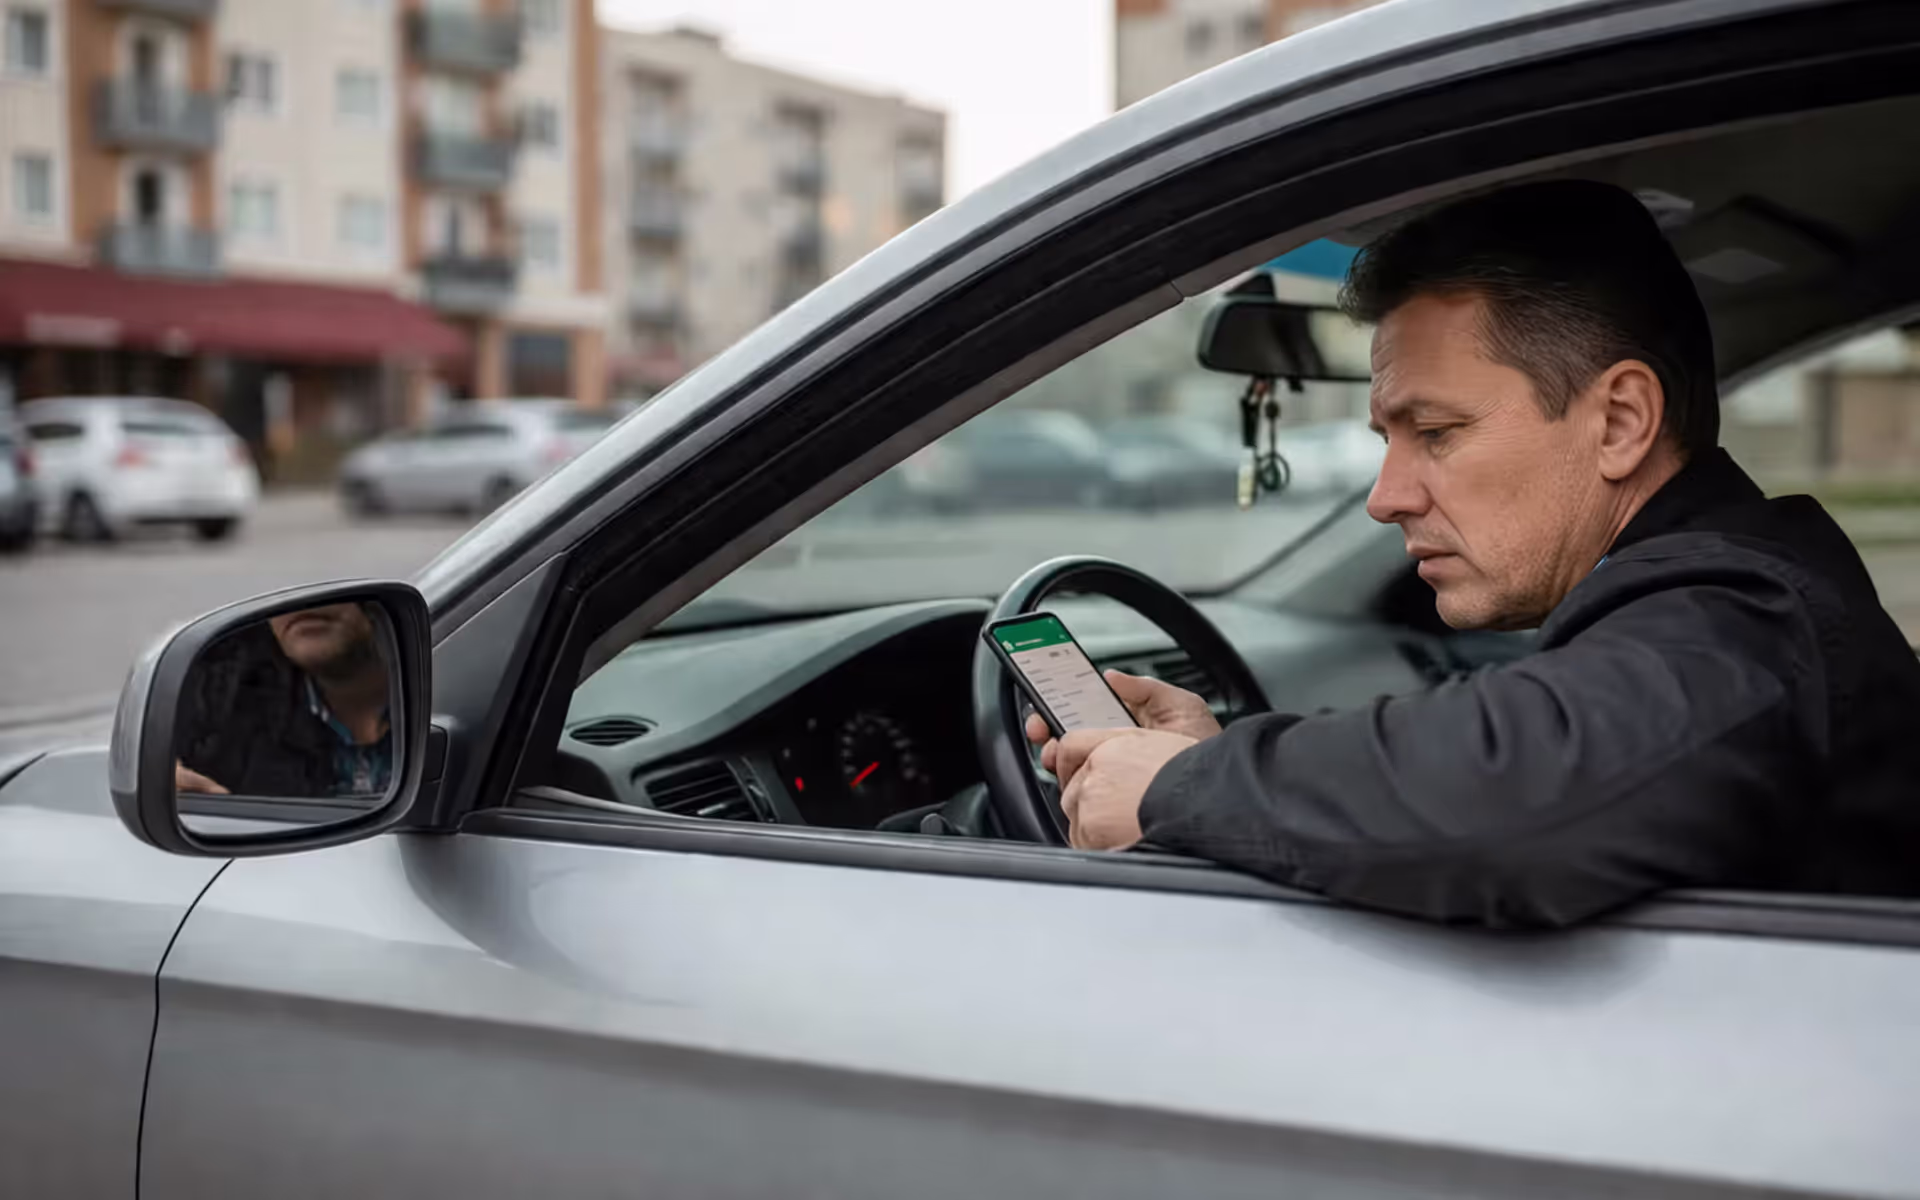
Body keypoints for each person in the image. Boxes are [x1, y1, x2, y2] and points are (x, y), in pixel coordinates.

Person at [1028, 179, 1920, 928]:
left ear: (1619, 422)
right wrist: (1210, 762)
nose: (1386, 496)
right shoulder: (1720, 590)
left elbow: (1517, 788)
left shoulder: (1741, 617)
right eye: (1388, 437)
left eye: (1438, 433)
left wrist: (1185, 786)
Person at [174, 602, 393, 798]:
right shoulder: (221, 706)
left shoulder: (426, 689)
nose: (302, 601)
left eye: (324, 576)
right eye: (281, 590)